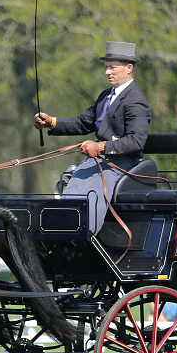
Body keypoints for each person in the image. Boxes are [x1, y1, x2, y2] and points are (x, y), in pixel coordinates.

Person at [34, 41, 151, 234]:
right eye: (106, 67)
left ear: (129, 68)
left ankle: (84, 236)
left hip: (121, 162)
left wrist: (101, 147)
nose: (107, 72)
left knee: (90, 195)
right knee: (71, 190)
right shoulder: (106, 96)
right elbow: (83, 122)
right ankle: (60, 234)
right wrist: (52, 122)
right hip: (97, 160)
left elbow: (136, 141)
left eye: (112, 67)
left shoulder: (136, 101)